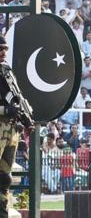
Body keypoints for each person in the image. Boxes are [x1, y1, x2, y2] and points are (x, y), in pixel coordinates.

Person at [0, 34, 33, 217]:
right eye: (0, 49)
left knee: (5, 177)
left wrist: (26, 117)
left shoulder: (6, 70)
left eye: (5, 48)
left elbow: (17, 95)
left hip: (10, 129)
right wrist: (5, 111)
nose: (3, 52)